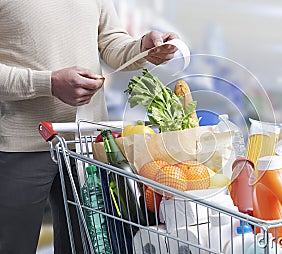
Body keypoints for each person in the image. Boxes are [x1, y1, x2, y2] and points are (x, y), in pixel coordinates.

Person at [0, 0, 178, 253]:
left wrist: (142, 48)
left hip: (86, 145)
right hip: (19, 148)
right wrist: (48, 83)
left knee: (86, 247)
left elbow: (111, 42)